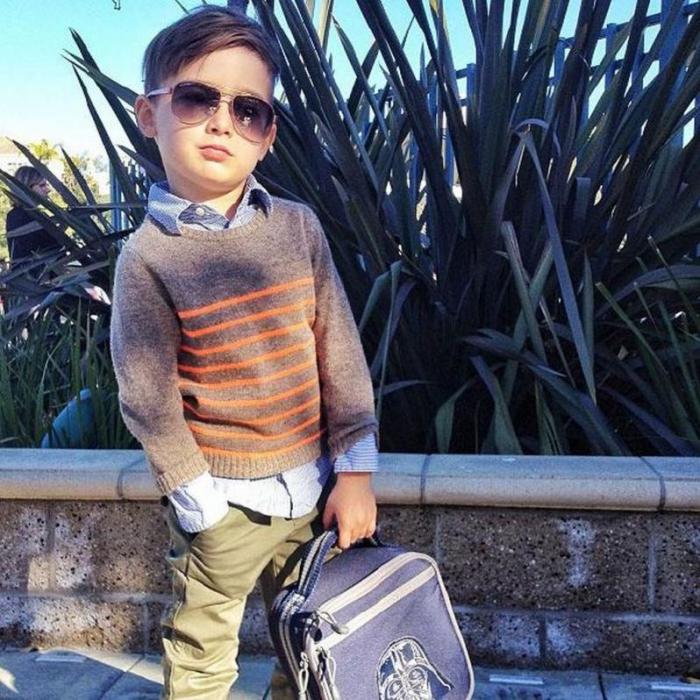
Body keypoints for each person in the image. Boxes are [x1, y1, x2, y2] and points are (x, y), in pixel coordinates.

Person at [109, 6, 379, 699]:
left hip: (314, 493)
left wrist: (354, 472)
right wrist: (199, 501)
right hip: (221, 501)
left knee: (316, 645)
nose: (222, 122)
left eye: (247, 109)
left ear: (268, 136)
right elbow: (147, 395)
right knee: (202, 656)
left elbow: (339, 351)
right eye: (197, 98)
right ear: (149, 114)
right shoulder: (147, 258)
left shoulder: (298, 229)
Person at [5, 166, 60, 274]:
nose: (48, 190)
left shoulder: (15, 215)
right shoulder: (25, 216)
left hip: (30, 278)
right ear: (27, 187)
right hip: (41, 279)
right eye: (42, 185)